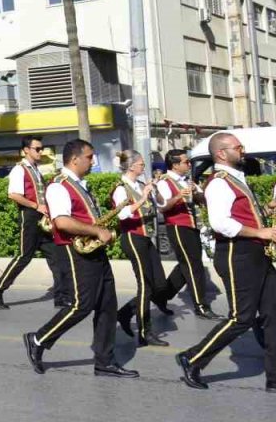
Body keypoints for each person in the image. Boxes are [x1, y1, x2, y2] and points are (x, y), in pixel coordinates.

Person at [24, 139, 138, 379]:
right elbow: (62, 221)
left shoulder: (80, 185)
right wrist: (96, 231)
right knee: (81, 305)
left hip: (93, 251)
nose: (93, 160)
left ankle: (104, 362)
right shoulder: (59, 186)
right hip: (74, 252)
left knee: (107, 306)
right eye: (89, 156)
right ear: (74, 159)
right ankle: (37, 339)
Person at [178, 133, 276, 391]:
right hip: (237, 253)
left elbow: (246, 215)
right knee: (241, 318)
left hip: (257, 252)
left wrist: (268, 210)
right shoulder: (219, 182)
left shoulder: (236, 179)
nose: (243, 150)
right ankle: (192, 358)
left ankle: (274, 378)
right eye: (238, 147)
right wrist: (260, 232)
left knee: (272, 314)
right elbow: (220, 222)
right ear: (222, 153)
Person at [0, 136, 65, 310]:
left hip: (42, 219)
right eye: (37, 149)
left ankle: (60, 297)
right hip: (30, 217)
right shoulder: (19, 170)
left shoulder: (35, 169)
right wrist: (37, 206)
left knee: (57, 258)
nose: (41, 151)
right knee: (24, 257)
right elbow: (13, 195)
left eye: (41, 148)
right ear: (26, 151)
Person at [110, 151, 169, 347]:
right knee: (145, 285)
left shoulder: (142, 185)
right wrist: (142, 199)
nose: (144, 167)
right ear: (132, 166)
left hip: (146, 238)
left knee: (159, 284)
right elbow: (123, 214)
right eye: (142, 164)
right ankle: (145, 332)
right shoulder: (121, 188)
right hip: (133, 238)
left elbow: (161, 204)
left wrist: (155, 191)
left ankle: (125, 313)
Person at [154, 148, 218, 319]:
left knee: (186, 265)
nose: (189, 164)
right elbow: (163, 207)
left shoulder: (187, 180)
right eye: (186, 162)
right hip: (177, 226)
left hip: (192, 226)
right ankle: (201, 305)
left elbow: (202, 200)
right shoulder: (164, 182)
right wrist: (178, 196)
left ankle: (161, 296)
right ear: (175, 165)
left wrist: (197, 193)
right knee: (193, 265)